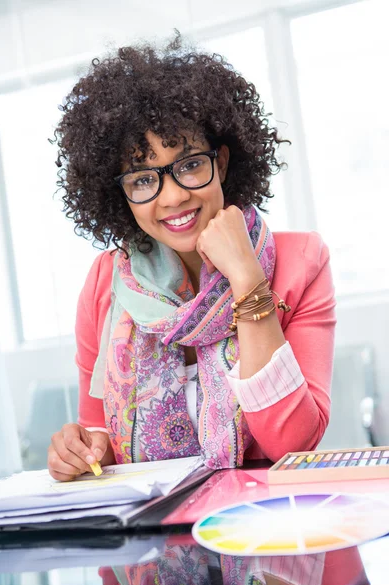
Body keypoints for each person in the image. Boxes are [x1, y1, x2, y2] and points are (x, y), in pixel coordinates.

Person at [47, 34, 336, 482]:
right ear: (120, 193)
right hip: (153, 542)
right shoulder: (107, 281)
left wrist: (246, 278)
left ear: (220, 162)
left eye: (189, 165)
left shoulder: (302, 261)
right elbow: (98, 431)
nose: (174, 196)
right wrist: (83, 448)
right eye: (144, 179)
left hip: (264, 529)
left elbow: (291, 444)